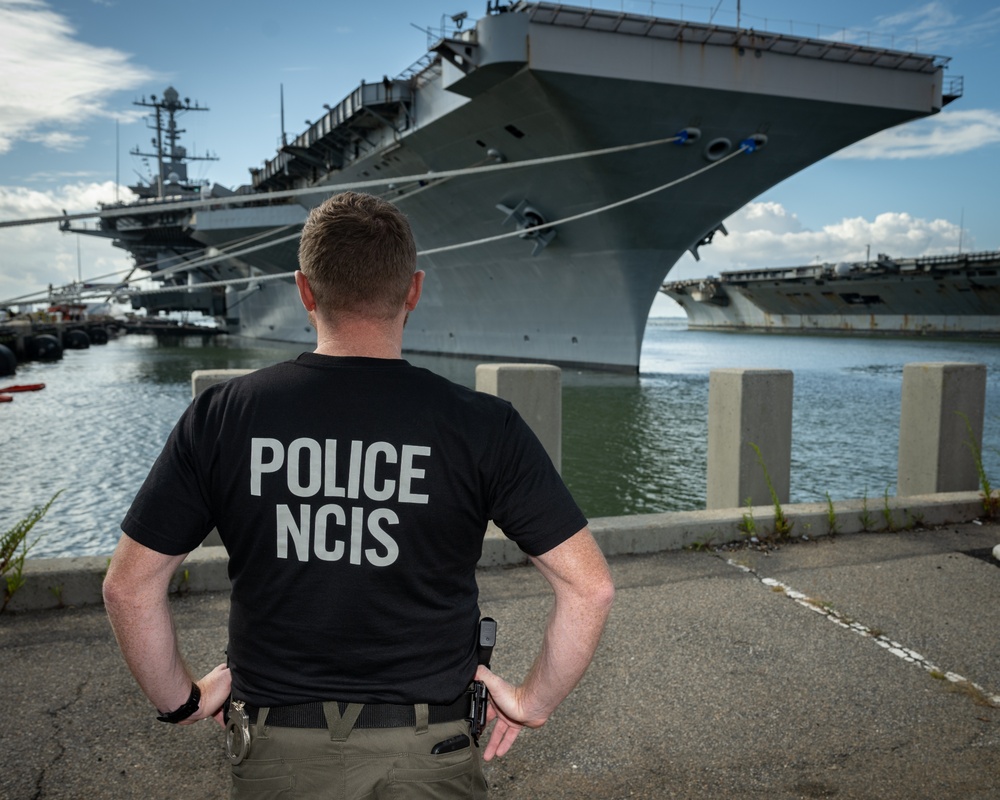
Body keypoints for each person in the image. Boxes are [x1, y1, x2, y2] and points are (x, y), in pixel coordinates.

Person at [103, 191, 615, 797]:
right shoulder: (484, 424)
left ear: (304, 290)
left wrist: (181, 700)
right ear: (413, 291)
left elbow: (129, 587)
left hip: (277, 753)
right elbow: (590, 587)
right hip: (430, 752)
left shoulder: (221, 415)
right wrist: (532, 701)